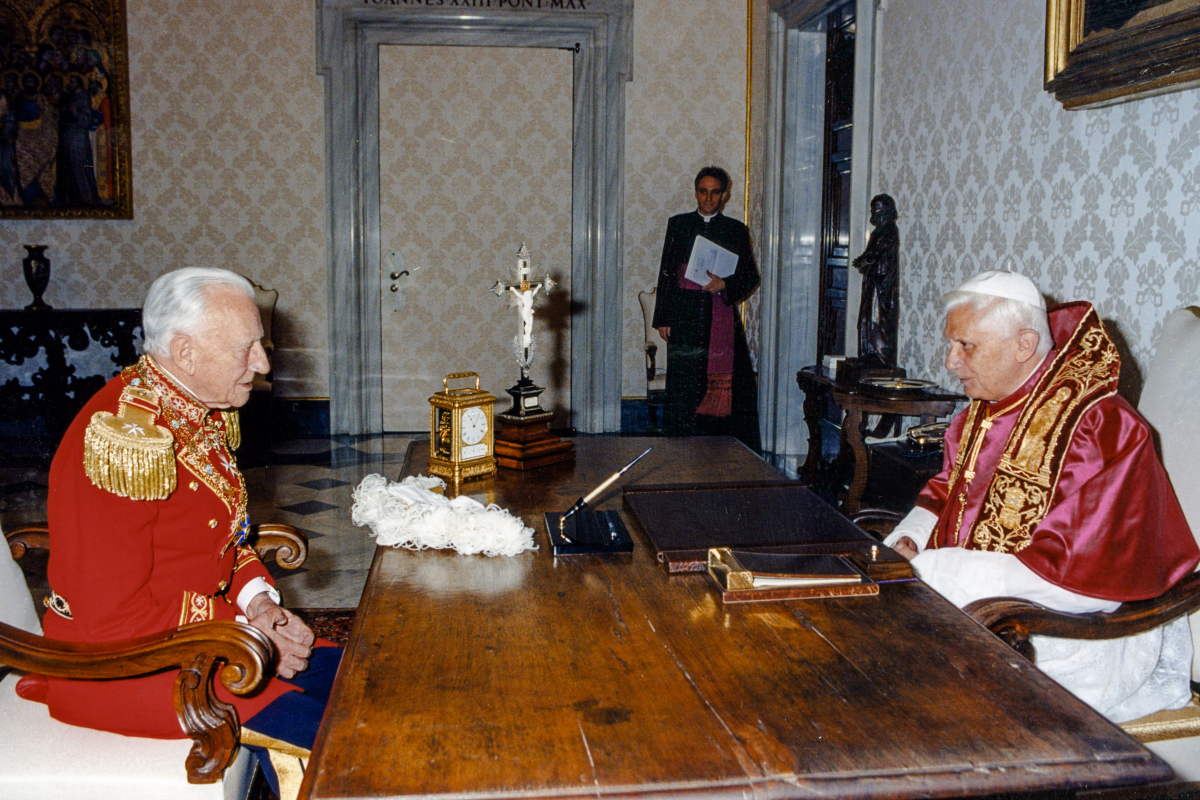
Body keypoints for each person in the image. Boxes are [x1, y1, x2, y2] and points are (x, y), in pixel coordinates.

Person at [17, 268, 339, 799]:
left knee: (364, 679)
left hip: (201, 643)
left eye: (261, 344)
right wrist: (248, 636)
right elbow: (113, 619)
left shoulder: (191, 408)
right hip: (129, 668)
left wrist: (259, 604)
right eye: (247, 348)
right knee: (348, 742)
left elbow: (222, 543)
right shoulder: (124, 440)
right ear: (185, 352)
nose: (262, 363)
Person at [884, 270, 1200, 723]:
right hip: (978, 604)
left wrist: (936, 570)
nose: (951, 361)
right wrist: (911, 538)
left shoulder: (1099, 425)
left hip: (1072, 634)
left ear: (1024, 345)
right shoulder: (982, 414)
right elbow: (945, 489)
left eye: (966, 346)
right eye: (951, 344)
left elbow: (1083, 571)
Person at [651, 166, 760, 449]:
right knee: (685, 383)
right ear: (696, 192)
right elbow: (666, 273)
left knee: (729, 387)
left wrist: (724, 284)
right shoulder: (678, 224)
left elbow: (750, 276)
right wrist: (663, 317)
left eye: (715, 192)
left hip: (719, 315)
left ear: (724, 195)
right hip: (685, 315)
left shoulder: (736, 229)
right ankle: (681, 447)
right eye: (703, 191)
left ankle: (721, 447)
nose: (708, 198)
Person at [852, 194, 899, 366]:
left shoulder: (889, 230)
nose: (874, 213)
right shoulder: (878, 232)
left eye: (877, 209)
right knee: (866, 319)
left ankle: (879, 357)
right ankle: (869, 355)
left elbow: (879, 253)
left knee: (878, 320)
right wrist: (864, 260)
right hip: (873, 284)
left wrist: (866, 260)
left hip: (882, 287)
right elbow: (872, 254)